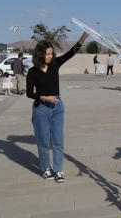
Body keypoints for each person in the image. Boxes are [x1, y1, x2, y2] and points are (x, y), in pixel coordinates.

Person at [27, 31, 90, 183]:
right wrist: (43, 97)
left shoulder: (55, 65)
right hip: (41, 108)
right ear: (40, 54)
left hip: (57, 107)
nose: (50, 56)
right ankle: (45, 168)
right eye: (48, 54)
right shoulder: (32, 72)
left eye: (52, 54)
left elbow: (71, 52)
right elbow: (29, 93)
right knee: (43, 141)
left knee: (58, 141)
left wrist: (82, 38)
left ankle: (58, 169)